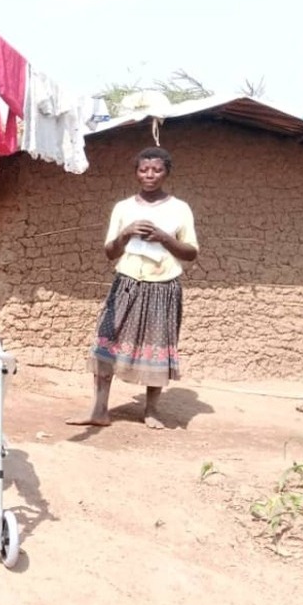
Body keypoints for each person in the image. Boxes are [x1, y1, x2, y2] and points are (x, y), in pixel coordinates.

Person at [67, 146, 199, 429]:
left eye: (157, 170)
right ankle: (99, 410)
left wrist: (164, 238)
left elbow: (191, 252)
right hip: (126, 283)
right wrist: (126, 233)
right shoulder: (124, 208)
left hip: (162, 286)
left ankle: (151, 411)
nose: (150, 175)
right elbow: (110, 252)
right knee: (106, 343)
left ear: (166, 173)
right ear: (136, 173)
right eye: (143, 169)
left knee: (157, 346)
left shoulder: (180, 209)